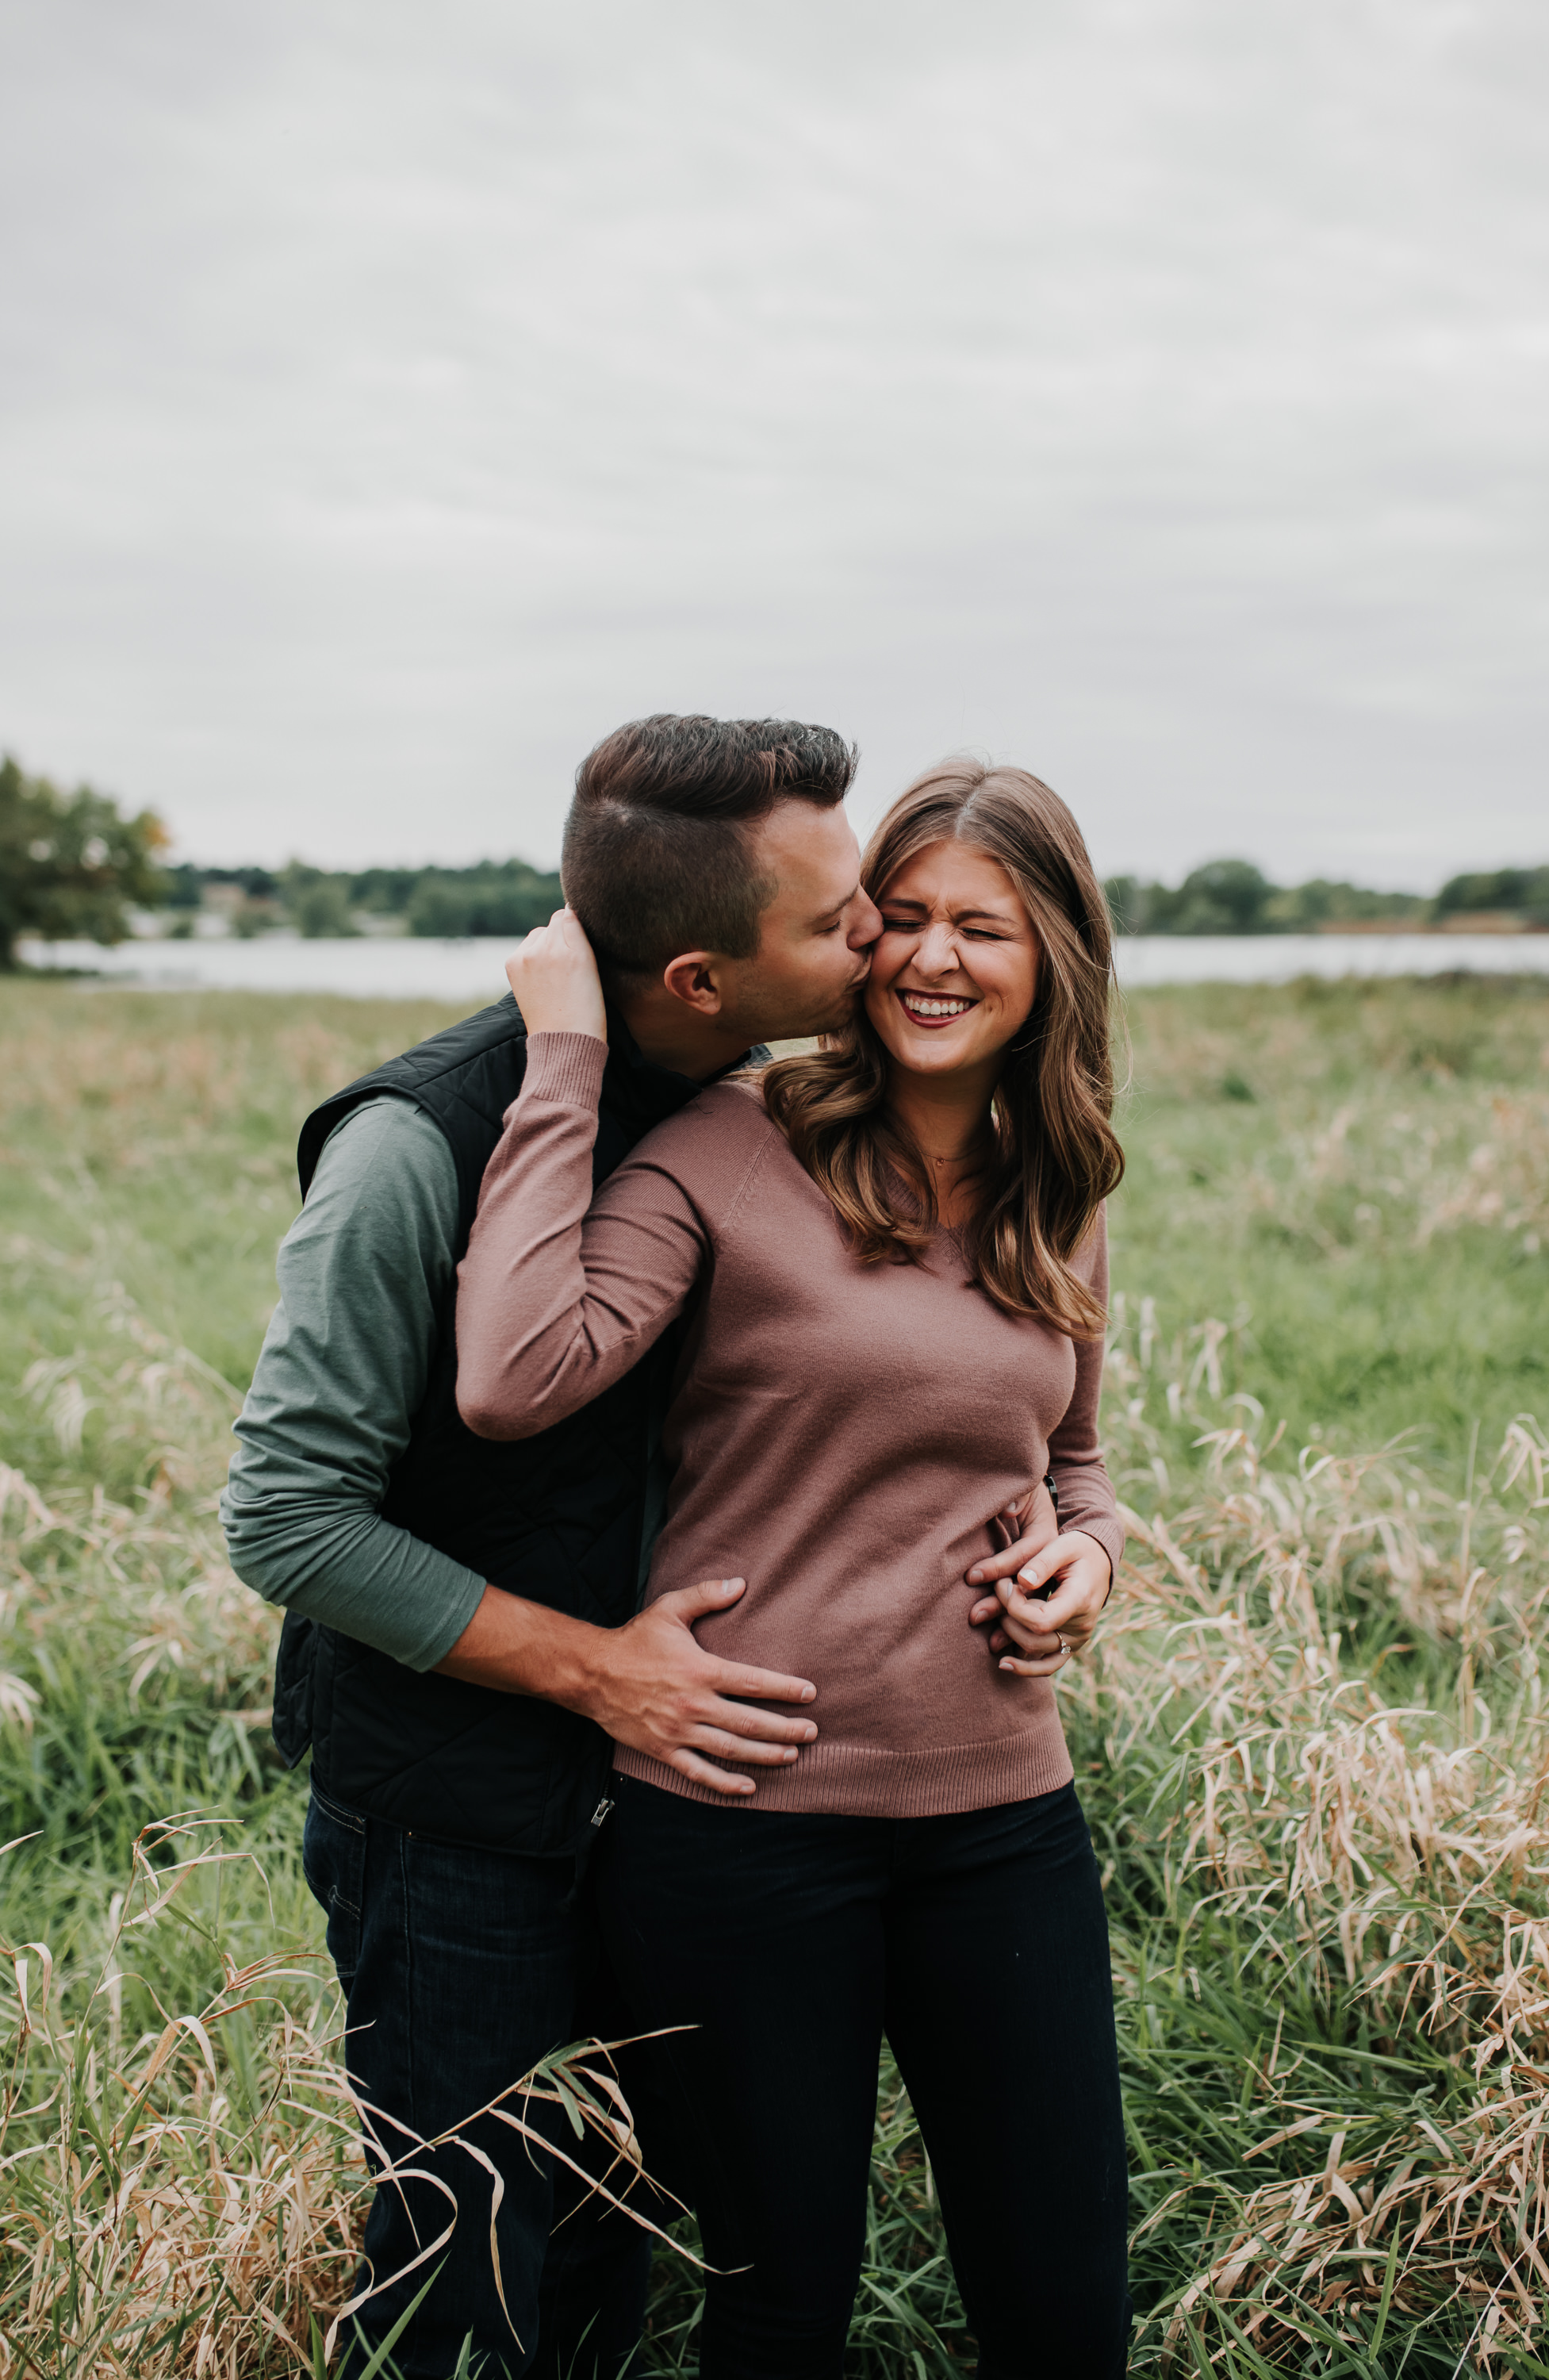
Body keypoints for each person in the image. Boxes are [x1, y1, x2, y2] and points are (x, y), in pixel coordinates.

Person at [221, 717, 1068, 2380]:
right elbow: (286, 1515)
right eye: (842, 921)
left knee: (638, 2248)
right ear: (695, 975)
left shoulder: (761, 1112)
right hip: (464, 1813)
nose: (883, 941)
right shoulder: (419, 1148)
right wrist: (596, 1671)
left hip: (695, 1821)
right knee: (465, 2272)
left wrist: (1044, 1520)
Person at [454, 758, 1134, 2378]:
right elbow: (510, 1374)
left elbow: (1075, 1462)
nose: (929, 958)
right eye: (897, 919)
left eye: (983, 927)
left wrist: (1092, 1559)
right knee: (779, 2305)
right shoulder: (725, 1144)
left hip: (1002, 1824)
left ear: (1053, 961)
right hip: (742, 1828)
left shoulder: (1063, 1183)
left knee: (1063, 2303)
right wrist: (565, 1055)